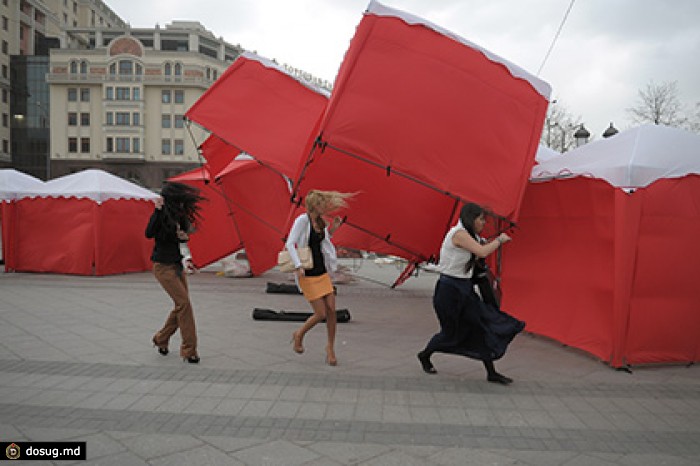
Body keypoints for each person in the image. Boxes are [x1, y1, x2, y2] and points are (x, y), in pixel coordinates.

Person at [417, 202, 525, 384]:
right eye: (481, 219)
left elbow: (480, 248)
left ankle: (491, 373)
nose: (483, 223)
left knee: (481, 327)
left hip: (464, 289)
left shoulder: (470, 235)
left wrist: (488, 241)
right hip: (449, 291)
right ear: (470, 218)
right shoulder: (459, 234)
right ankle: (425, 354)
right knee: (450, 334)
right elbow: (482, 252)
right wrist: (499, 240)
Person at [287, 189, 352, 366]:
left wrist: (332, 230)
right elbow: (290, 243)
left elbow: (322, 242)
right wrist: (298, 266)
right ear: (315, 205)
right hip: (307, 273)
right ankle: (299, 334)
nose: (326, 207)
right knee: (320, 313)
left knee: (332, 310)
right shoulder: (302, 220)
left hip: (322, 272)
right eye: (322, 204)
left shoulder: (320, 222)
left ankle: (330, 347)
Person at [145, 181, 204, 364]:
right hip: (162, 267)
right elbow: (148, 233)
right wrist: (157, 210)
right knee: (184, 304)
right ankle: (189, 350)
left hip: (177, 266)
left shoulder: (179, 216)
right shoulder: (161, 215)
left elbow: (188, 233)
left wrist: (184, 235)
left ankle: (161, 339)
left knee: (181, 306)